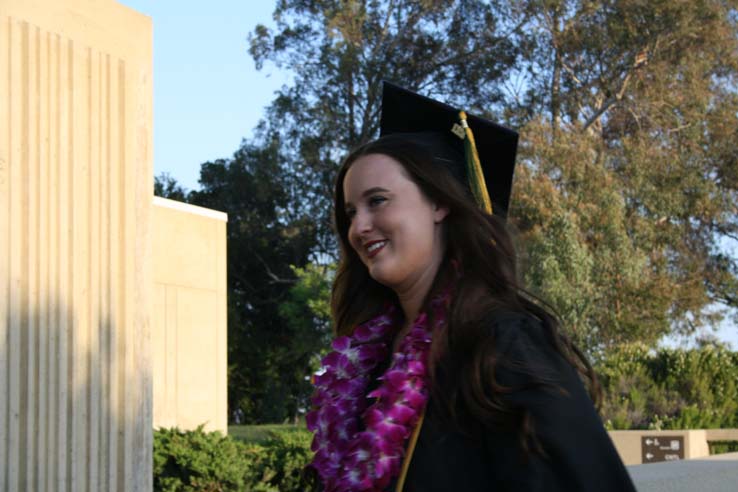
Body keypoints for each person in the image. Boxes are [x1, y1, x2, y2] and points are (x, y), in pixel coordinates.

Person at [305, 82, 636, 492]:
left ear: (440, 203)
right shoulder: (364, 363)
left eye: (378, 201)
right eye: (350, 212)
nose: (358, 227)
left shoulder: (503, 344)